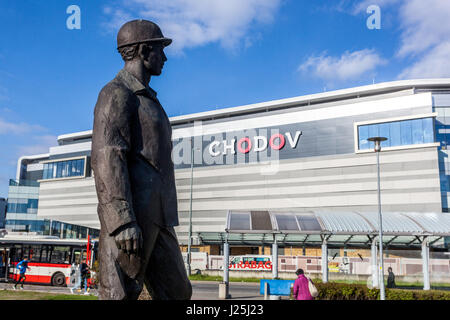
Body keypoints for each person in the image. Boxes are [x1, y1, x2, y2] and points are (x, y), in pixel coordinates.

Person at [91, 19, 192, 300]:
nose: (166, 57)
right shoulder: (116, 94)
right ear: (145, 51)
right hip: (130, 220)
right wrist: (122, 222)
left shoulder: (149, 100)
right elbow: (107, 158)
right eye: (161, 49)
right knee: (119, 295)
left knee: (178, 292)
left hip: (159, 218)